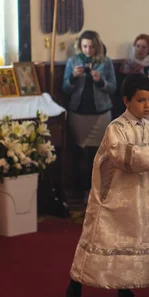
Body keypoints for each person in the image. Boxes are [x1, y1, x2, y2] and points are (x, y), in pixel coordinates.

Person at [65, 73, 149, 297]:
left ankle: (125, 288)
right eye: (141, 100)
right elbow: (123, 157)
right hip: (113, 197)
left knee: (132, 243)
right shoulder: (115, 128)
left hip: (141, 198)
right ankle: (75, 285)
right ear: (126, 101)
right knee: (100, 240)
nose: (147, 106)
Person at [62, 30, 117, 199]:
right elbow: (65, 88)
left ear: (97, 46)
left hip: (100, 113)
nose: (88, 50)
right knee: (79, 153)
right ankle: (81, 190)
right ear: (80, 46)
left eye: (92, 46)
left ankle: (98, 190)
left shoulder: (106, 62)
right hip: (78, 112)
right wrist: (73, 77)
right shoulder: (73, 61)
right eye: (85, 46)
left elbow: (113, 87)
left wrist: (100, 81)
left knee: (99, 155)